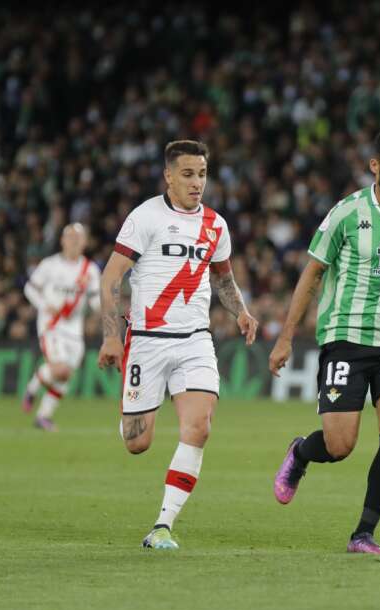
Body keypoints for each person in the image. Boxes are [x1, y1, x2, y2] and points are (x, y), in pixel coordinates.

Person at [268, 128, 380, 555]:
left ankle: (363, 533)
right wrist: (285, 337)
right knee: (340, 444)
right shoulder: (346, 213)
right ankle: (301, 454)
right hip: (346, 335)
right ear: (375, 167)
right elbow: (311, 273)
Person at [97, 140, 259, 550]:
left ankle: (162, 526)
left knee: (199, 427)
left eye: (202, 174)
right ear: (168, 175)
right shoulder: (144, 217)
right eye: (188, 174)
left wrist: (240, 311)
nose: (196, 183)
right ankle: (135, 407)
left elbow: (223, 278)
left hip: (194, 340)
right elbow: (111, 278)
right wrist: (112, 336)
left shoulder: (215, 225)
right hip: (147, 341)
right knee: (138, 442)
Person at [22, 223, 101, 431]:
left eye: (78, 238)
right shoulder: (49, 265)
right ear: (62, 240)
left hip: (75, 329)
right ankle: (32, 389)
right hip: (51, 325)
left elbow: (95, 300)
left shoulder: (90, 270)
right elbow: (30, 288)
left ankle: (43, 416)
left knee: (65, 376)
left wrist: (99, 307)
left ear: (84, 242)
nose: (74, 242)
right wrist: (43, 305)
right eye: (70, 237)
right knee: (60, 369)